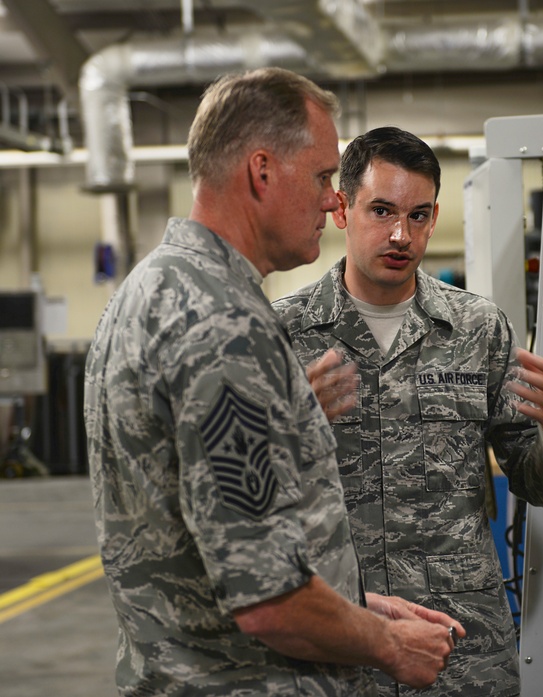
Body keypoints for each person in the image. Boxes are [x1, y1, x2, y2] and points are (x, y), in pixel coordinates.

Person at [84, 69, 464, 697]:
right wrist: (389, 644)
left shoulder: (150, 292)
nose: (330, 202)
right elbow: (268, 602)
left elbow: (212, 546)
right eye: (321, 177)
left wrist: (349, 604)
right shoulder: (224, 326)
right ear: (262, 171)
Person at [272, 126, 543, 697]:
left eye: (419, 215)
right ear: (343, 210)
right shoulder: (284, 336)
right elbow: (242, 501)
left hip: (461, 654)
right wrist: (286, 433)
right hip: (337, 652)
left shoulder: (477, 329)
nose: (401, 234)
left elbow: (542, 485)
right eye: (382, 210)